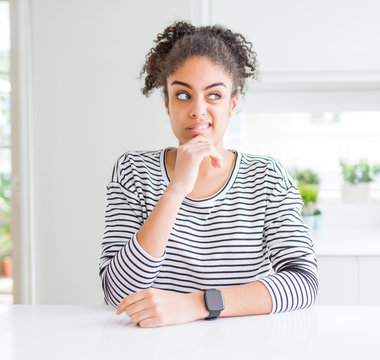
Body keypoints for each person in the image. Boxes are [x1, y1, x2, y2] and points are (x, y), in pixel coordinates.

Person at [99, 21, 318, 328]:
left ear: (233, 103)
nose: (198, 111)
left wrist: (197, 304)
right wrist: (176, 190)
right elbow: (118, 291)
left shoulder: (267, 177)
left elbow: (303, 281)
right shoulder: (133, 172)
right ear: (167, 103)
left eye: (214, 95)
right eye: (183, 95)